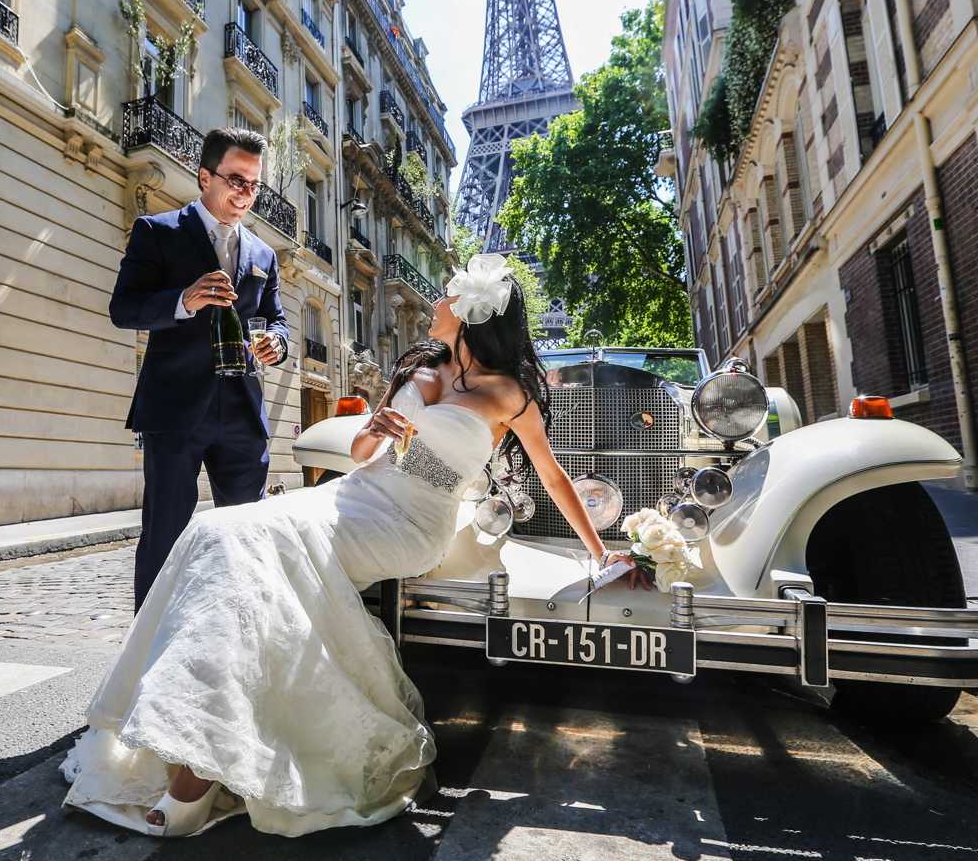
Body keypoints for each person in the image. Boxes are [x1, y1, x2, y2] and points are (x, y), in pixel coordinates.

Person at [63, 253, 634, 838]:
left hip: (410, 523)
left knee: (262, 545)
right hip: (354, 494)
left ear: (466, 314)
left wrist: (597, 550)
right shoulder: (418, 370)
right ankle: (199, 745)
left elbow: (553, 475)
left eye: (445, 297)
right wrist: (375, 432)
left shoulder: (508, 394)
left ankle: (196, 777)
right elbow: (362, 456)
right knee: (218, 530)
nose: (434, 303)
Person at [109, 127, 290, 612]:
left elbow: (277, 320)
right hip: (174, 409)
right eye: (236, 179)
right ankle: (149, 641)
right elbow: (124, 309)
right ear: (205, 177)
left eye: (254, 184)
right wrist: (183, 301)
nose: (245, 193)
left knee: (245, 533)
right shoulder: (158, 231)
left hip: (242, 413)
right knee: (165, 532)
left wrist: (278, 343)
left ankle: (237, 633)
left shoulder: (263, 255)